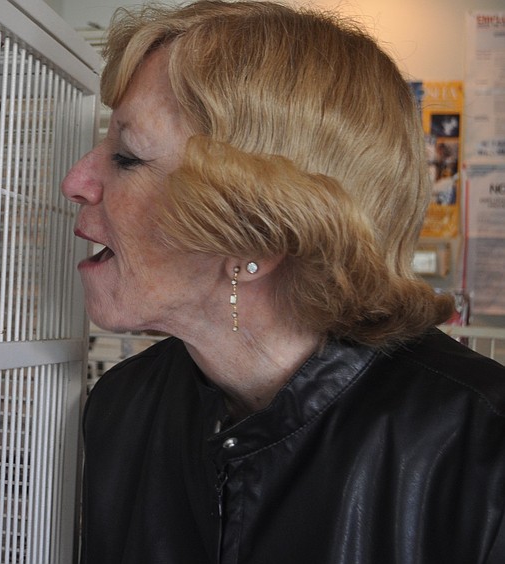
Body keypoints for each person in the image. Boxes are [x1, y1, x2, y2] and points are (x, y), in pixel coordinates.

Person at [59, 1, 505, 563]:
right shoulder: (120, 411)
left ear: (258, 236)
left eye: (126, 157)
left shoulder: (481, 453)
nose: (75, 181)